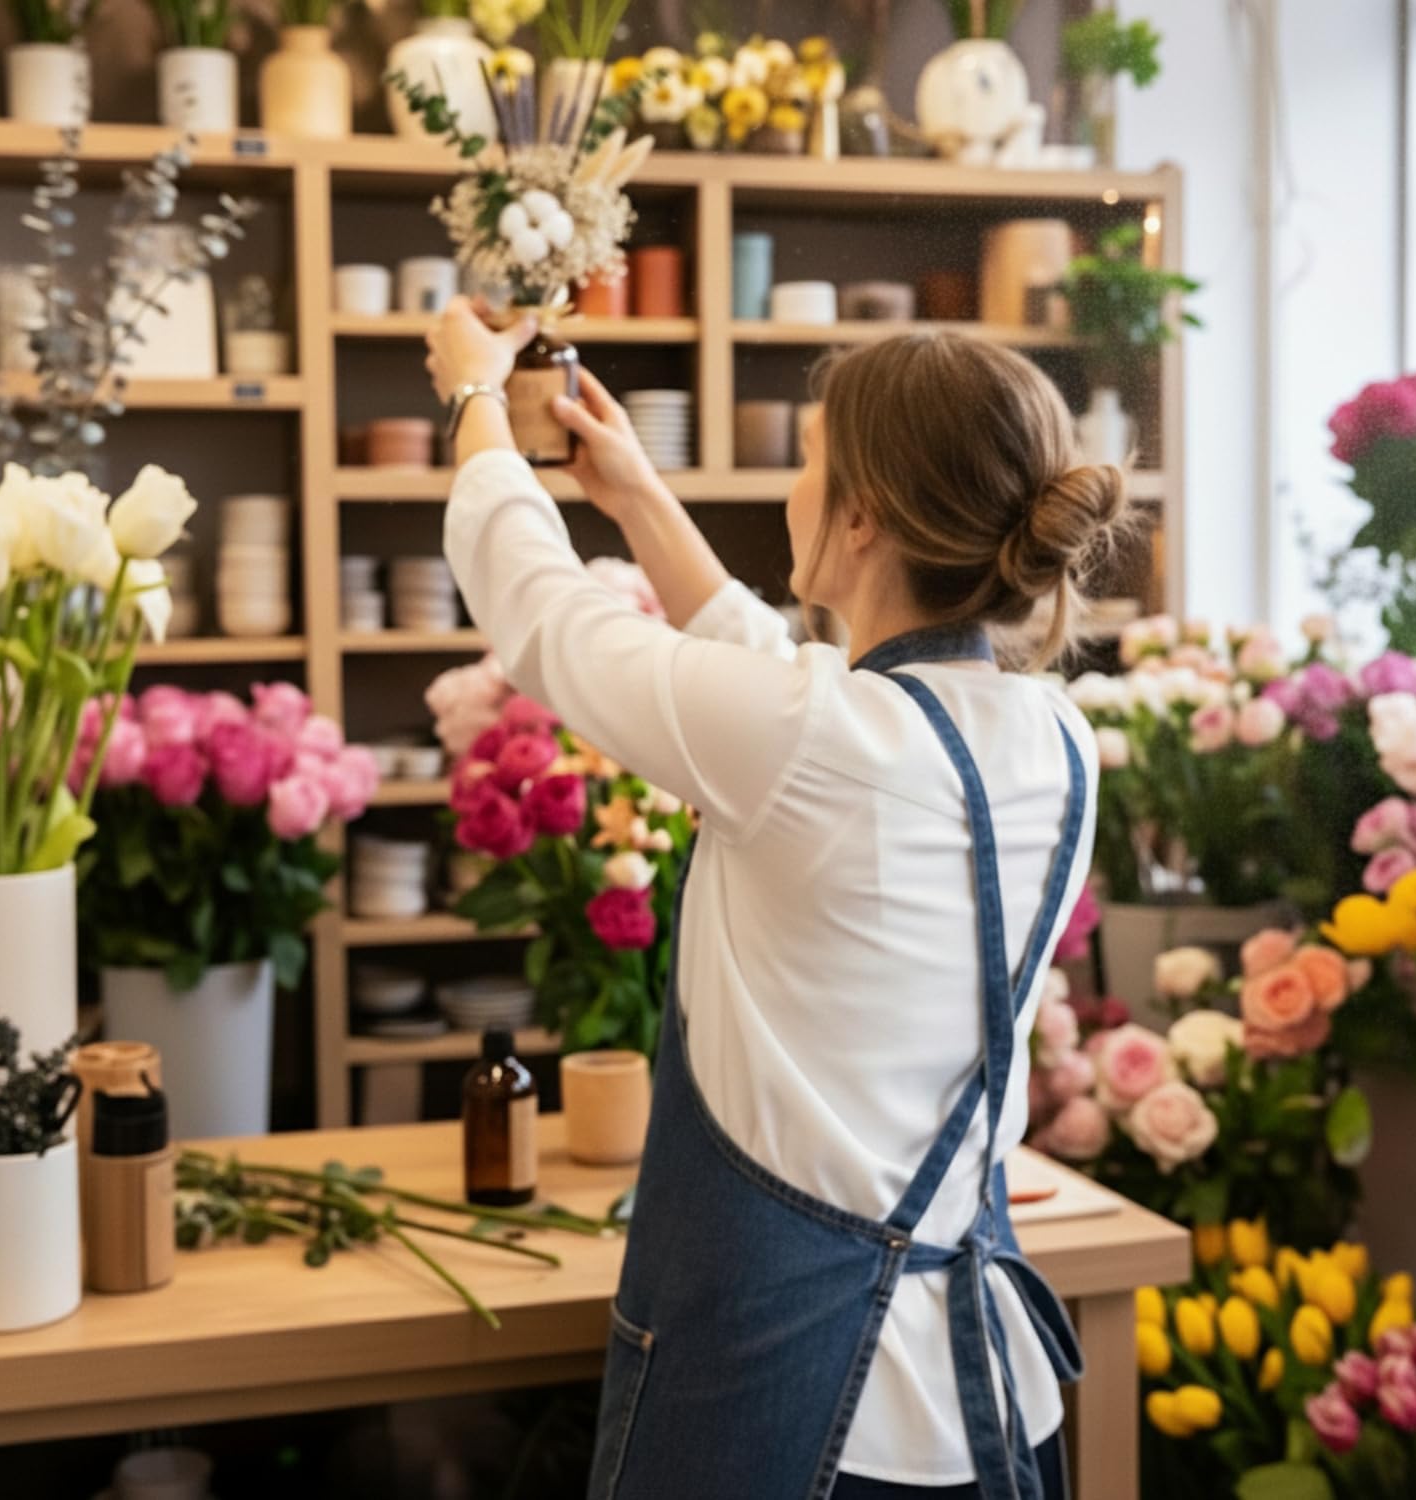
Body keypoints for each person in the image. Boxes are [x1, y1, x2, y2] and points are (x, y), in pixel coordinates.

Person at [426, 300, 1130, 1500]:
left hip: (794, 1412)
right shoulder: (1054, 739)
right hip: (981, 1411)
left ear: (861, 514)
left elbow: (545, 620)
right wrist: (639, 496)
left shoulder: (813, 741)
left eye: (810, 462)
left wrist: (473, 399)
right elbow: (778, 683)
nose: (794, 490)